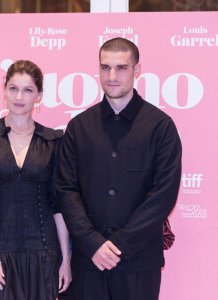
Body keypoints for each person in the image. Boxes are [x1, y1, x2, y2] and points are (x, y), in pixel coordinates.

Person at [56, 37, 182, 300]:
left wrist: (119, 246)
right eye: (105, 67)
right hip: (88, 262)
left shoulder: (161, 127)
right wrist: (92, 243)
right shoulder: (79, 128)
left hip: (139, 263)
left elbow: (163, 196)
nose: (112, 76)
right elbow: (66, 191)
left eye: (121, 68)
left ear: (137, 71)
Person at [0, 60, 72, 300]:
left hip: (44, 254)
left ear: (39, 95)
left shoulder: (53, 141)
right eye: (13, 88)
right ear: (4, 90)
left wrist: (66, 260)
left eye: (28, 90)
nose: (19, 96)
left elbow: (58, 206)